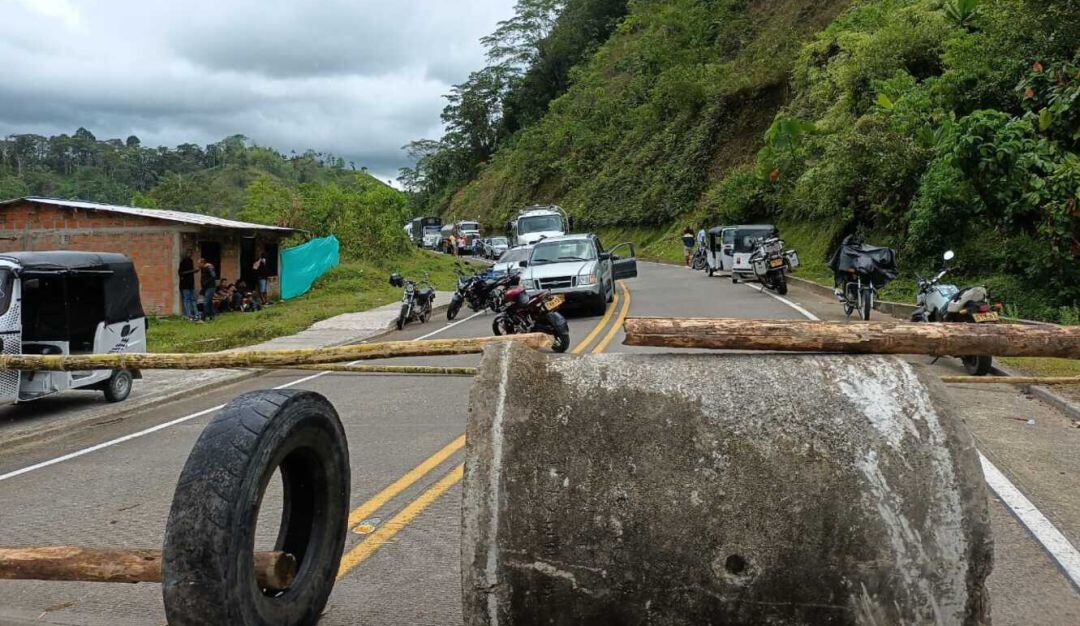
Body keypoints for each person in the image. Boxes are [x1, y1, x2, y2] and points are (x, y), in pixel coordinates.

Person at [177, 249, 197, 320]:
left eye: (191, 253)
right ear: (185, 254)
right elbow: (180, 273)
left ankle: (196, 314)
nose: (190, 254)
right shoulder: (183, 262)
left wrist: (194, 271)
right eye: (188, 253)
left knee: (194, 299)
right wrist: (192, 271)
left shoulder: (191, 261)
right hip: (185, 284)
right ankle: (189, 315)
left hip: (191, 284)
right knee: (187, 299)